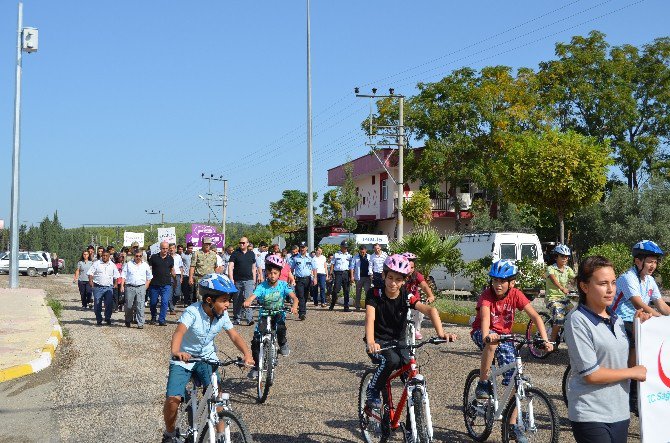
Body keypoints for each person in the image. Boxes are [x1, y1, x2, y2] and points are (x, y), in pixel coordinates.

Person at [565, 256, 649, 443]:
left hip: (619, 411)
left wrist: (636, 336)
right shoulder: (577, 320)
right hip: (590, 413)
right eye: (603, 283)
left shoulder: (617, 319)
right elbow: (591, 374)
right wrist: (632, 373)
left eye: (613, 282)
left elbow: (628, 364)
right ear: (584, 287)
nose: (611, 289)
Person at [161, 274, 254, 443]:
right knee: (173, 399)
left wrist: (247, 354)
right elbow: (179, 332)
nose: (228, 305)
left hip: (207, 359)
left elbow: (234, 336)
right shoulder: (192, 312)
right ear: (210, 300)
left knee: (217, 399)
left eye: (229, 300)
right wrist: (177, 352)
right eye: (224, 300)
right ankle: (169, 432)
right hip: (184, 359)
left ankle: (220, 438)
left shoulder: (223, 315)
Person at [364, 254, 457, 409]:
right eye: (390, 277)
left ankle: (412, 424)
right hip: (379, 342)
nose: (393, 283)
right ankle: (372, 390)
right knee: (391, 361)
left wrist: (442, 334)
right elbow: (370, 318)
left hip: (400, 342)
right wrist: (371, 342)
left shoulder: (406, 296)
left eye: (398, 279)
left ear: (404, 281)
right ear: (384, 275)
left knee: (411, 373)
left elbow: (431, 310)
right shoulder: (375, 294)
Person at [470, 259, 552, 411]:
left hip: (504, 336)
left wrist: (546, 341)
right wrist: (487, 336)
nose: (498, 284)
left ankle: (512, 422)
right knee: (492, 343)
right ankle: (482, 382)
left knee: (516, 380)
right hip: (482, 331)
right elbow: (486, 318)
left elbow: (536, 317)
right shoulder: (486, 296)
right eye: (495, 280)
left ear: (512, 283)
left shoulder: (516, 295)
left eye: (502, 281)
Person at [610, 240, 670, 414]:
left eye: (655, 261)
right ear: (638, 261)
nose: (653, 265)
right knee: (637, 353)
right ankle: (632, 395)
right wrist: (659, 318)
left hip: (640, 320)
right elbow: (639, 304)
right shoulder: (628, 278)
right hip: (620, 321)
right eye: (649, 261)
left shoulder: (649, 280)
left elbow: (661, 305)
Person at [243, 255, 299, 378]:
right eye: (270, 273)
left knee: (280, 328)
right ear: (266, 273)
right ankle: (257, 367)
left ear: (279, 273)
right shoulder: (262, 286)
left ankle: (283, 343)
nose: (272, 275)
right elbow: (253, 296)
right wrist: (248, 301)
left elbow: (294, 298)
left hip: (278, 314)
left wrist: (294, 306)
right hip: (264, 315)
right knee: (256, 341)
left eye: (275, 273)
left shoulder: (283, 285)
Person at [545, 244, 576, 343]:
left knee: (575, 315)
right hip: (552, 298)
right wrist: (562, 288)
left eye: (566, 257)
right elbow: (553, 279)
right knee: (559, 318)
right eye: (562, 256)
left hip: (564, 299)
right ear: (556, 257)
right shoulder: (551, 269)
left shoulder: (568, 269)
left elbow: (575, 279)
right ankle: (552, 342)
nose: (565, 258)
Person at [402, 252, 436, 340]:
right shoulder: (399, 275)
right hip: (401, 300)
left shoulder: (417, 275)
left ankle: (416, 330)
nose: (410, 270)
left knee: (419, 312)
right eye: (408, 267)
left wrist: (430, 295)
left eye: (412, 267)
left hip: (414, 300)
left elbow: (424, 285)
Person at [228, 236, 257, 326]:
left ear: (247, 243)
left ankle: (249, 318)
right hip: (237, 280)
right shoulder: (235, 254)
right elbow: (230, 267)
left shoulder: (251, 254)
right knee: (237, 299)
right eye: (240, 243)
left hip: (249, 280)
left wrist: (254, 280)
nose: (241, 244)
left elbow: (253, 267)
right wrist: (231, 278)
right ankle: (237, 318)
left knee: (249, 299)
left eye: (243, 243)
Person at [87, 250, 120, 326]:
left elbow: (116, 275)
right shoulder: (96, 263)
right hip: (98, 287)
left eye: (106, 256)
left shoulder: (112, 265)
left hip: (109, 287)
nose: (104, 257)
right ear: (101, 256)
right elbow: (90, 273)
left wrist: (115, 283)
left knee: (109, 304)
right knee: (97, 304)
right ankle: (99, 319)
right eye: (103, 255)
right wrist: (91, 281)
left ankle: (107, 318)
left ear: (109, 256)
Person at [120, 250, 152, 329]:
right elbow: (123, 275)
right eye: (137, 256)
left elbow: (149, 278)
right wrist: (122, 286)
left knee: (140, 306)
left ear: (142, 256)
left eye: (140, 256)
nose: (138, 257)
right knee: (129, 306)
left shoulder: (145, 265)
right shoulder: (129, 264)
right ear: (134, 256)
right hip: (130, 286)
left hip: (141, 287)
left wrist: (145, 288)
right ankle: (128, 319)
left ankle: (140, 322)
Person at [148, 242, 176, 326]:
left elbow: (172, 269)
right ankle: (153, 317)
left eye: (166, 248)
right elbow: (149, 269)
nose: (165, 250)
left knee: (164, 302)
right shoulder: (153, 257)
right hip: (154, 284)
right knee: (153, 302)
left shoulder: (170, 258)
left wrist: (176, 279)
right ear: (160, 248)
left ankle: (162, 320)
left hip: (166, 284)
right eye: (163, 248)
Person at [290, 242, 315, 321]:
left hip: (307, 279)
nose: (302, 249)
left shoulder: (310, 258)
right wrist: (291, 278)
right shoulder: (296, 258)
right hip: (299, 279)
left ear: (306, 248)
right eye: (301, 247)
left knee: (305, 296)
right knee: (300, 296)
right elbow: (292, 269)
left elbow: (314, 269)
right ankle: (302, 313)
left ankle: (303, 310)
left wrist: (315, 278)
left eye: (303, 247)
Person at [188, 237, 218, 302]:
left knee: (211, 298)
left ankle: (209, 311)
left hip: (211, 279)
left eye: (209, 244)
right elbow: (192, 266)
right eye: (206, 244)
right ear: (202, 244)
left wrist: (217, 278)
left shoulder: (213, 254)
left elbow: (215, 267)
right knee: (200, 298)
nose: (207, 245)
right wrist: (190, 278)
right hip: (200, 279)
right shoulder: (196, 253)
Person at [329, 241, 353, 312]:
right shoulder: (336, 255)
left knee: (346, 291)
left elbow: (351, 266)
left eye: (346, 247)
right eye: (344, 247)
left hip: (346, 273)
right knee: (336, 290)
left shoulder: (349, 256)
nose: (345, 249)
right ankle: (332, 304)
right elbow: (332, 264)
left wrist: (351, 275)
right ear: (341, 247)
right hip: (338, 273)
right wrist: (331, 273)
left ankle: (346, 307)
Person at [350, 245, 373, 312]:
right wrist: (352, 276)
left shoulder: (369, 257)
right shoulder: (355, 257)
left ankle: (367, 307)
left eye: (363, 252)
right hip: (359, 277)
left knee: (367, 292)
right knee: (358, 293)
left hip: (367, 277)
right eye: (361, 252)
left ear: (366, 250)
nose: (362, 253)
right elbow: (352, 267)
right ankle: (357, 307)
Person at [169, 243, 184, 315]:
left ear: (175, 249)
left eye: (173, 248)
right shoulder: (167, 257)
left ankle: (173, 304)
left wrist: (181, 277)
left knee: (177, 294)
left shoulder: (178, 256)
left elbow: (181, 267)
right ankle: (171, 309)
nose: (171, 249)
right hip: (168, 276)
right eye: (170, 248)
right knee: (170, 293)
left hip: (177, 275)